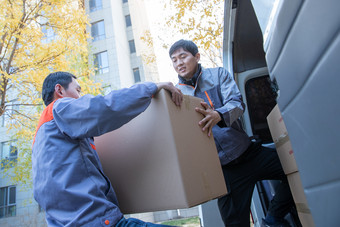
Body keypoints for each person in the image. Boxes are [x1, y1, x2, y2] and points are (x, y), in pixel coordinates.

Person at [169, 40, 296, 227]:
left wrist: (218, 115)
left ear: (196, 57)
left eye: (183, 56)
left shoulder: (218, 74)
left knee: (295, 168)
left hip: (249, 153)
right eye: (174, 60)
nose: (178, 63)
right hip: (224, 171)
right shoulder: (176, 94)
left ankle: (273, 219)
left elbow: (237, 103)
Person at [32, 71, 183, 227]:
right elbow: (105, 107)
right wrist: (151, 87)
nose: (80, 96)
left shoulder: (40, 137)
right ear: (60, 90)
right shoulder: (59, 108)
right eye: (77, 90)